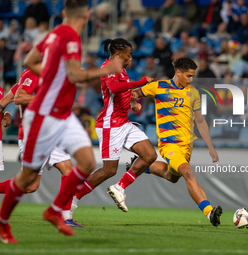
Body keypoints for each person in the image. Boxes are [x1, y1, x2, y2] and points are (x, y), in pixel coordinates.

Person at [0, 0, 123, 243]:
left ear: (65, 11)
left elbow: (28, 61)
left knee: (87, 162)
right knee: (28, 182)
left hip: (63, 115)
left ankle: (56, 211)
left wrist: (49, 74)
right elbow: (75, 75)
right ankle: (3, 224)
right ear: (87, 14)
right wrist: (107, 70)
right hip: (44, 117)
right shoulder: (71, 37)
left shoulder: (52, 35)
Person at [128, 57, 223, 227]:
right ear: (178, 73)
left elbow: (200, 121)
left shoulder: (193, 92)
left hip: (187, 146)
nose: (191, 79)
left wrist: (211, 147)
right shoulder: (159, 87)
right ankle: (209, 212)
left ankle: (142, 165)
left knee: (172, 176)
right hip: (169, 144)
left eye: (193, 76)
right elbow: (134, 92)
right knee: (188, 172)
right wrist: (134, 100)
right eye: (188, 75)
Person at [70, 38, 157, 218]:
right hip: (110, 124)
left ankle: (119, 187)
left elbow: (121, 92)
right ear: (117, 54)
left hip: (123, 122)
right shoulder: (107, 67)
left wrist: (132, 102)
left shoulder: (121, 69)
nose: (131, 58)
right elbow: (115, 88)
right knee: (109, 170)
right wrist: (139, 82)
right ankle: (73, 198)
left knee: (150, 155)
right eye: (128, 54)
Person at [0, 68, 80, 227]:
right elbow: (19, 98)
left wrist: (4, 113)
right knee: (30, 185)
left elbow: (7, 98)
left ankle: (65, 218)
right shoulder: (34, 73)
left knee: (68, 170)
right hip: (33, 133)